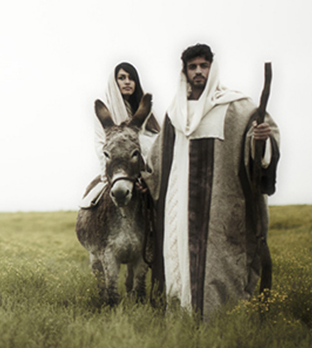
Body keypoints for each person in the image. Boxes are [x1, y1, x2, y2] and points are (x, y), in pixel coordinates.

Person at [144, 43, 280, 317]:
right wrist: (144, 182)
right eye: (192, 67)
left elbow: (259, 152)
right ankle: (181, 318)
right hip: (177, 205)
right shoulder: (174, 114)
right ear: (184, 72)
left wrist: (261, 141)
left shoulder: (237, 108)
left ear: (211, 68)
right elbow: (157, 161)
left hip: (220, 206)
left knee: (220, 265)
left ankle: (220, 321)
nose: (198, 72)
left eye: (203, 66)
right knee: (177, 257)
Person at [80, 62, 160, 208]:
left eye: (131, 78)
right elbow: (100, 144)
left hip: (144, 170)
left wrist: (148, 177)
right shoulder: (107, 111)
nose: (127, 82)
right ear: (114, 82)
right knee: (89, 205)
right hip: (116, 167)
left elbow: (156, 144)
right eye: (122, 78)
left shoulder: (146, 115)